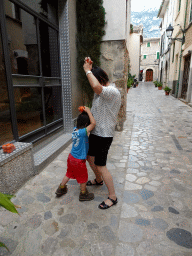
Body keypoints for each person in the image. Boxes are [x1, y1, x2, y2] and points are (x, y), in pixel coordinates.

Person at [83, 57, 121, 209]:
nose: (92, 85)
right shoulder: (99, 94)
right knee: (89, 157)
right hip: (96, 132)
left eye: (93, 79)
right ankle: (98, 180)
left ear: (99, 79)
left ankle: (112, 197)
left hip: (104, 135)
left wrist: (87, 71)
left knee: (101, 165)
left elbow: (97, 87)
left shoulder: (112, 91)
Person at [55, 106, 96, 201]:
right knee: (83, 177)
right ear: (86, 124)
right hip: (79, 160)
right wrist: (89, 112)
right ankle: (83, 194)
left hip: (71, 157)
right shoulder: (82, 132)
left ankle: (61, 188)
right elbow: (93, 123)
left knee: (69, 173)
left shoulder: (75, 130)